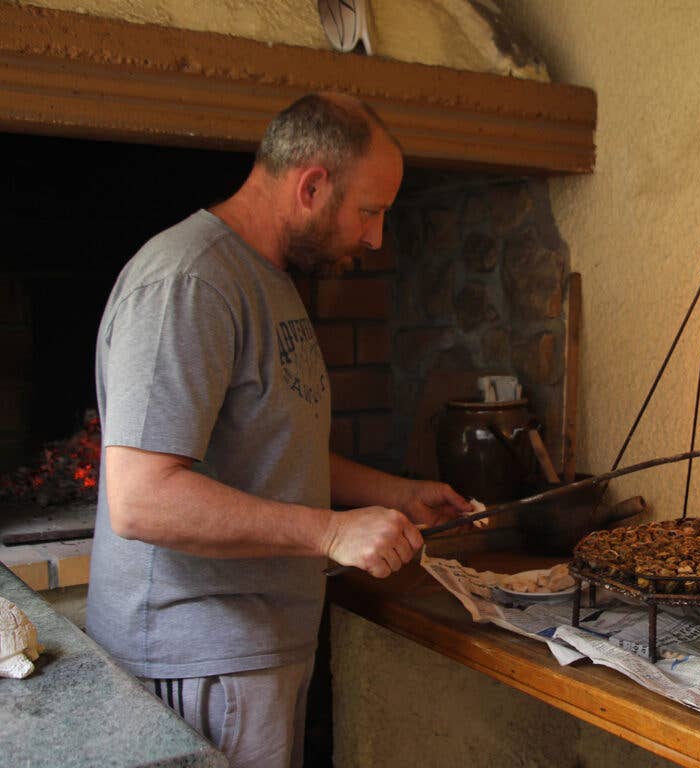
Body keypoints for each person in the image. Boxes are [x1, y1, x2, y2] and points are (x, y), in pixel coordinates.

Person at [86, 92, 473, 768]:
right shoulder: (191, 280)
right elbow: (141, 498)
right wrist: (331, 530)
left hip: (252, 647)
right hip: (200, 654)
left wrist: (395, 493)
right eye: (371, 212)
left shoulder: (265, 277)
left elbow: (273, 446)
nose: (376, 237)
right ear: (312, 185)